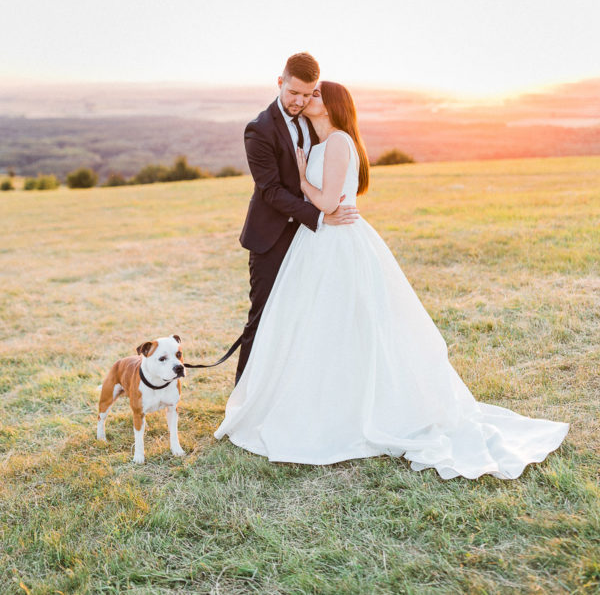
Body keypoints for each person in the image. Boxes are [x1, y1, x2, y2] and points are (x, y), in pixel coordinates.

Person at [215, 80, 569, 479]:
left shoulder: (337, 142)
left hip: (335, 241)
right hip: (317, 242)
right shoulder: (321, 141)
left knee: (347, 324)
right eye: (306, 94)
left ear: (330, 106)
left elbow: (328, 203)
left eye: (315, 95)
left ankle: (353, 411)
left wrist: (301, 179)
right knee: (320, 325)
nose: (308, 99)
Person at [234, 53, 359, 385]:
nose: (300, 101)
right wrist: (320, 216)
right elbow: (271, 191)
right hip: (272, 239)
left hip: (311, 241)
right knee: (263, 318)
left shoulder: (316, 121)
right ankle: (243, 396)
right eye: (293, 93)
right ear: (280, 82)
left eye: (307, 94)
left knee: (304, 319)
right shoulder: (259, 129)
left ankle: (291, 390)